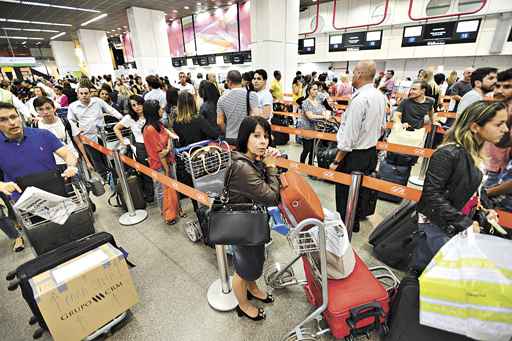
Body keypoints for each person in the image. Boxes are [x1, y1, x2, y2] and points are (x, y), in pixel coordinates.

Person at [413, 101, 507, 271]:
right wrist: (464, 222)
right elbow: (431, 195)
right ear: (475, 127)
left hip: (455, 225)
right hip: (437, 226)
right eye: (499, 124)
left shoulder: (474, 153)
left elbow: (474, 189)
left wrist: (486, 208)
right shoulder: (448, 153)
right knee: (428, 274)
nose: (505, 129)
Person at [0, 102, 78, 251]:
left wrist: (71, 166)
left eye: (13, 117)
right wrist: (2, 185)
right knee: (45, 244)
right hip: (26, 204)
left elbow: (68, 154)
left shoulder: (42, 135)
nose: (11, 122)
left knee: (73, 234)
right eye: (3, 119)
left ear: (20, 117)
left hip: (56, 195)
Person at [229, 116, 281, 321]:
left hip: (253, 221)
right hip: (242, 225)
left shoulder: (250, 159)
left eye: (266, 136)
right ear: (245, 137)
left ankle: (253, 288)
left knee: (253, 261)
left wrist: (268, 162)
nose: (263, 141)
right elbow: (271, 197)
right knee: (242, 268)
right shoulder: (242, 167)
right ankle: (242, 305)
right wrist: (271, 167)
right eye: (256, 136)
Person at [329, 60, 387, 233]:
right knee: (360, 191)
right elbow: (382, 127)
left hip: (353, 155)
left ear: (360, 74)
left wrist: (336, 160)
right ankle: (353, 223)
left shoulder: (360, 99)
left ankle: (344, 226)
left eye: (354, 72)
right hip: (370, 152)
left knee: (344, 193)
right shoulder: (379, 96)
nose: (353, 75)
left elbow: (349, 138)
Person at [173, 92, 220, 213]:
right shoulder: (198, 119)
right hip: (204, 157)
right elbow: (214, 134)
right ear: (193, 103)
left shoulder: (176, 123)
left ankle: (198, 211)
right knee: (209, 184)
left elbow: (181, 141)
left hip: (189, 159)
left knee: (194, 187)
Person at [67, 85, 123, 179]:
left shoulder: (97, 101)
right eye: (81, 93)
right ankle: (108, 181)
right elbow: (70, 120)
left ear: (90, 94)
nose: (84, 95)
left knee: (109, 159)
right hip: (87, 139)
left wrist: (122, 119)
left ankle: (116, 178)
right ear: (78, 95)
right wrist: (77, 129)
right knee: (97, 162)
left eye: (86, 93)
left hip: (103, 136)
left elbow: (111, 110)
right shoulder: (73, 106)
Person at [142, 100, 180, 219]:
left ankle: (177, 210)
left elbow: (167, 140)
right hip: (160, 165)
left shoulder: (159, 125)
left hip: (169, 161)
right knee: (162, 191)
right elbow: (160, 153)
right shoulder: (150, 129)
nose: (162, 110)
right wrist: (166, 170)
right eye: (159, 109)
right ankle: (167, 214)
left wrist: (167, 148)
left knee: (173, 186)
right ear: (153, 112)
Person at [113, 95, 154, 202]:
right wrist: (123, 141)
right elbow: (116, 128)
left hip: (154, 145)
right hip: (141, 147)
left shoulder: (150, 113)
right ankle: (150, 195)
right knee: (146, 172)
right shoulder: (129, 118)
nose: (137, 107)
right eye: (133, 105)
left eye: (139, 104)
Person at [482, 68, 512, 189]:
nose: (500, 90)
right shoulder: (495, 103)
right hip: (486, 161)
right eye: (498, 86)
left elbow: (503, 142)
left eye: (507, 87)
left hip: (500, 168)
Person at [217, 70, 259, 144]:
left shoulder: (222, 99)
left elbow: (219, 122)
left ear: (229, 82)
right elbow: (256, 117)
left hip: (230, 138)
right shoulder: (252, 95)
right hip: (246, 137)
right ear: (241, 80)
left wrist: (227, 131)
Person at [299, 81, 331, 165]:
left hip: (316, 129)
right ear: (309, 91)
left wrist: (325, 113)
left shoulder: (318, 101)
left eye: (317, 89)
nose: (316, 91)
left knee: (314, 150)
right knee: (307, 149)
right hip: (306, 129)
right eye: (314, 89)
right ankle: (301, 164)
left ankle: (311, 165)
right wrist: (323, 117)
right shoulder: (305, 102)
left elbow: (323, 110)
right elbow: (310, 116)